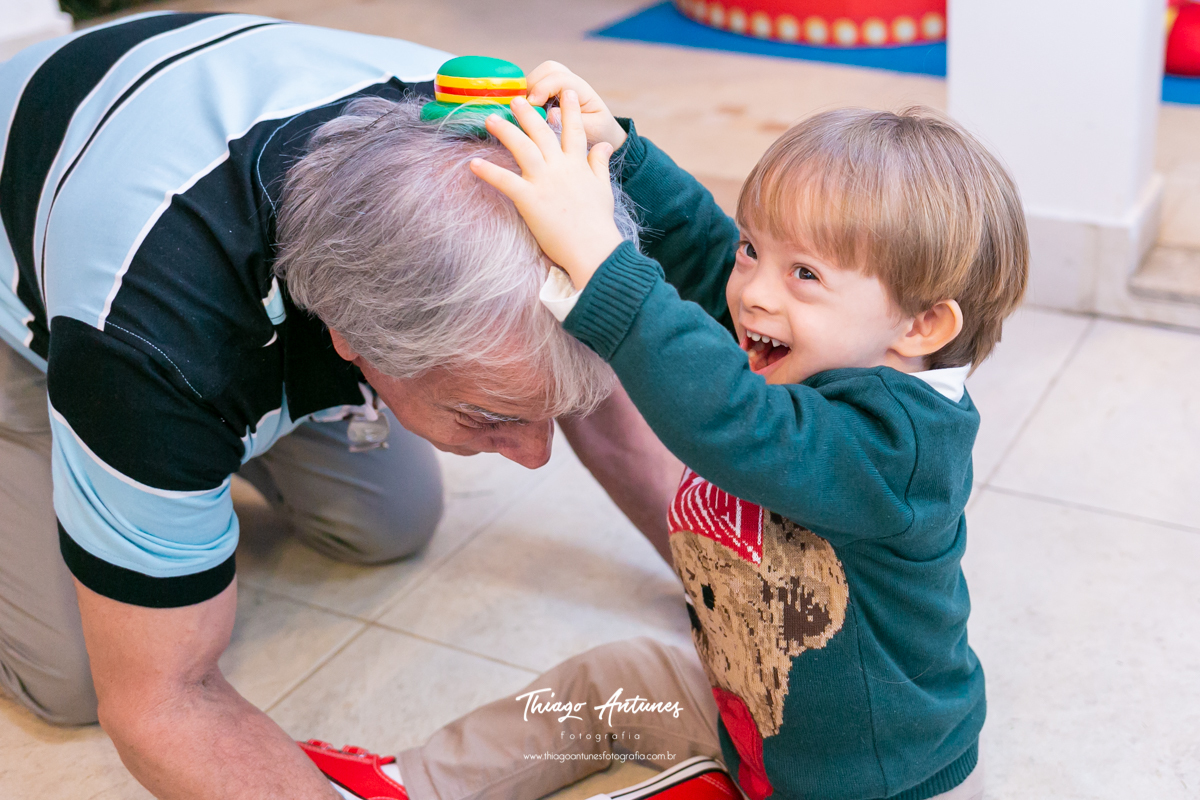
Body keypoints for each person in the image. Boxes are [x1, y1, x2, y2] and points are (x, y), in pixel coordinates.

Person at [301, 66, 1029, 800]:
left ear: (921, 325)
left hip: (867, 781)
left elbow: (734, 424)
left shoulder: (901, 450)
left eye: (803, 273)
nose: (753, 291)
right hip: (746, 706)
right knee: (609, 682)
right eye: (756, 249)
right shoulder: (816, 339)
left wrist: (601, 265)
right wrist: (617, 154)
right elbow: (706, 254)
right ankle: (409, 783)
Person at [0, 14, 676, 800]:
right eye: (488, 416)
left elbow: (572, 359)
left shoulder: (507, 153)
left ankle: (194, 463)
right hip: (33, 270)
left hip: (198, 159)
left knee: (387, 524)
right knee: (79, 678)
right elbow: (162, 702)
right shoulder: (148, 341)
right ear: (353, 338)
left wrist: (725, 594)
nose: (535, 456)